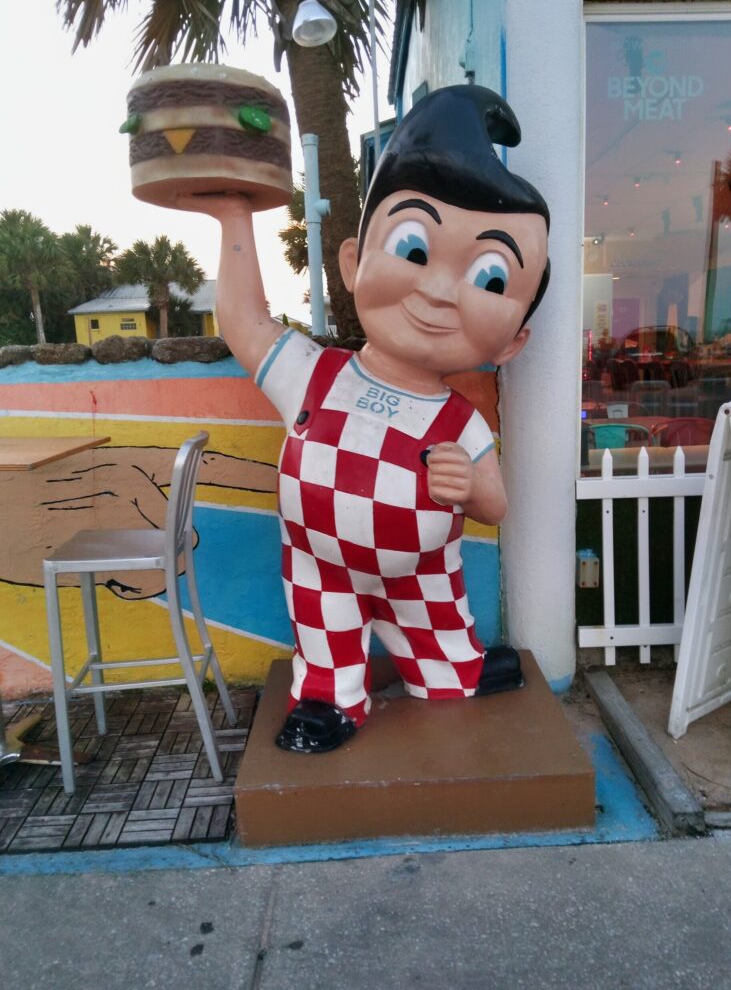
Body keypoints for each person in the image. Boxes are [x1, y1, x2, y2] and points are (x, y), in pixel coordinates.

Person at [181, 84, 550, 753]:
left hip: (424, 569)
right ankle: (329, 697)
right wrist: (236, 219)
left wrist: (469, 489)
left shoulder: (461, 421)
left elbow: (496, 505)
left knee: (446, 648)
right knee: (325, 637)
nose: (439, 290)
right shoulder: (314, 372)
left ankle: (456, 669)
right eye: (413, 248)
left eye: (491, 279)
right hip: (323, 564)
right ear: (353, 262)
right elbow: (244, 322)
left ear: (514, 339)